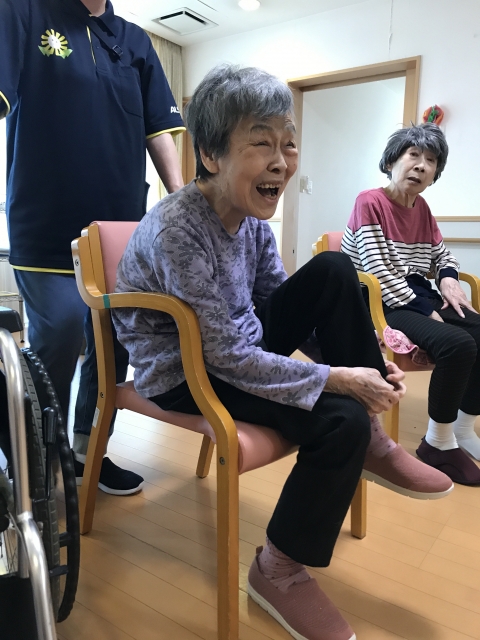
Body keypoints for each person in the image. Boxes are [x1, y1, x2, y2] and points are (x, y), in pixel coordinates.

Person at [112, 65, 453, 640]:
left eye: (288, 144)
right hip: (184, 371)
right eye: (261, 143)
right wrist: (338, 380)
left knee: (334, 268)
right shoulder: (178, 230)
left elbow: (288, 304)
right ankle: (278, 570)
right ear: (212, 155)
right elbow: (223, 356)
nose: (281, 161)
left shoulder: (251, 221)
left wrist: (361, 363)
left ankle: (372, 435)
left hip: (231, 349)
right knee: (341, 418)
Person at [0, 0, 185, 494]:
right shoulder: (24, 13)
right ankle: (37, 458)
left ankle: (88, 452)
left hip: (118, 230)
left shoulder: (134, 40)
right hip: (45, 222)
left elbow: (159, 131)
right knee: (60, 334)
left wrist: (182, 203)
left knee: (112, 345)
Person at [342, 123, 480, 486]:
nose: (421, 165)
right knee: (458, 343)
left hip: (416, 295)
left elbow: (441, 254)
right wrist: (427, 311)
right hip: (381, 301)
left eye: (431, 160)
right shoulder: (369, 202)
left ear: (435, 173)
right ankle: (438, 442)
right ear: (392, 161)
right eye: (413, 155)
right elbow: (378, 272)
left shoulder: (422, 208)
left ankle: (463, 428)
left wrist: (448, 277)